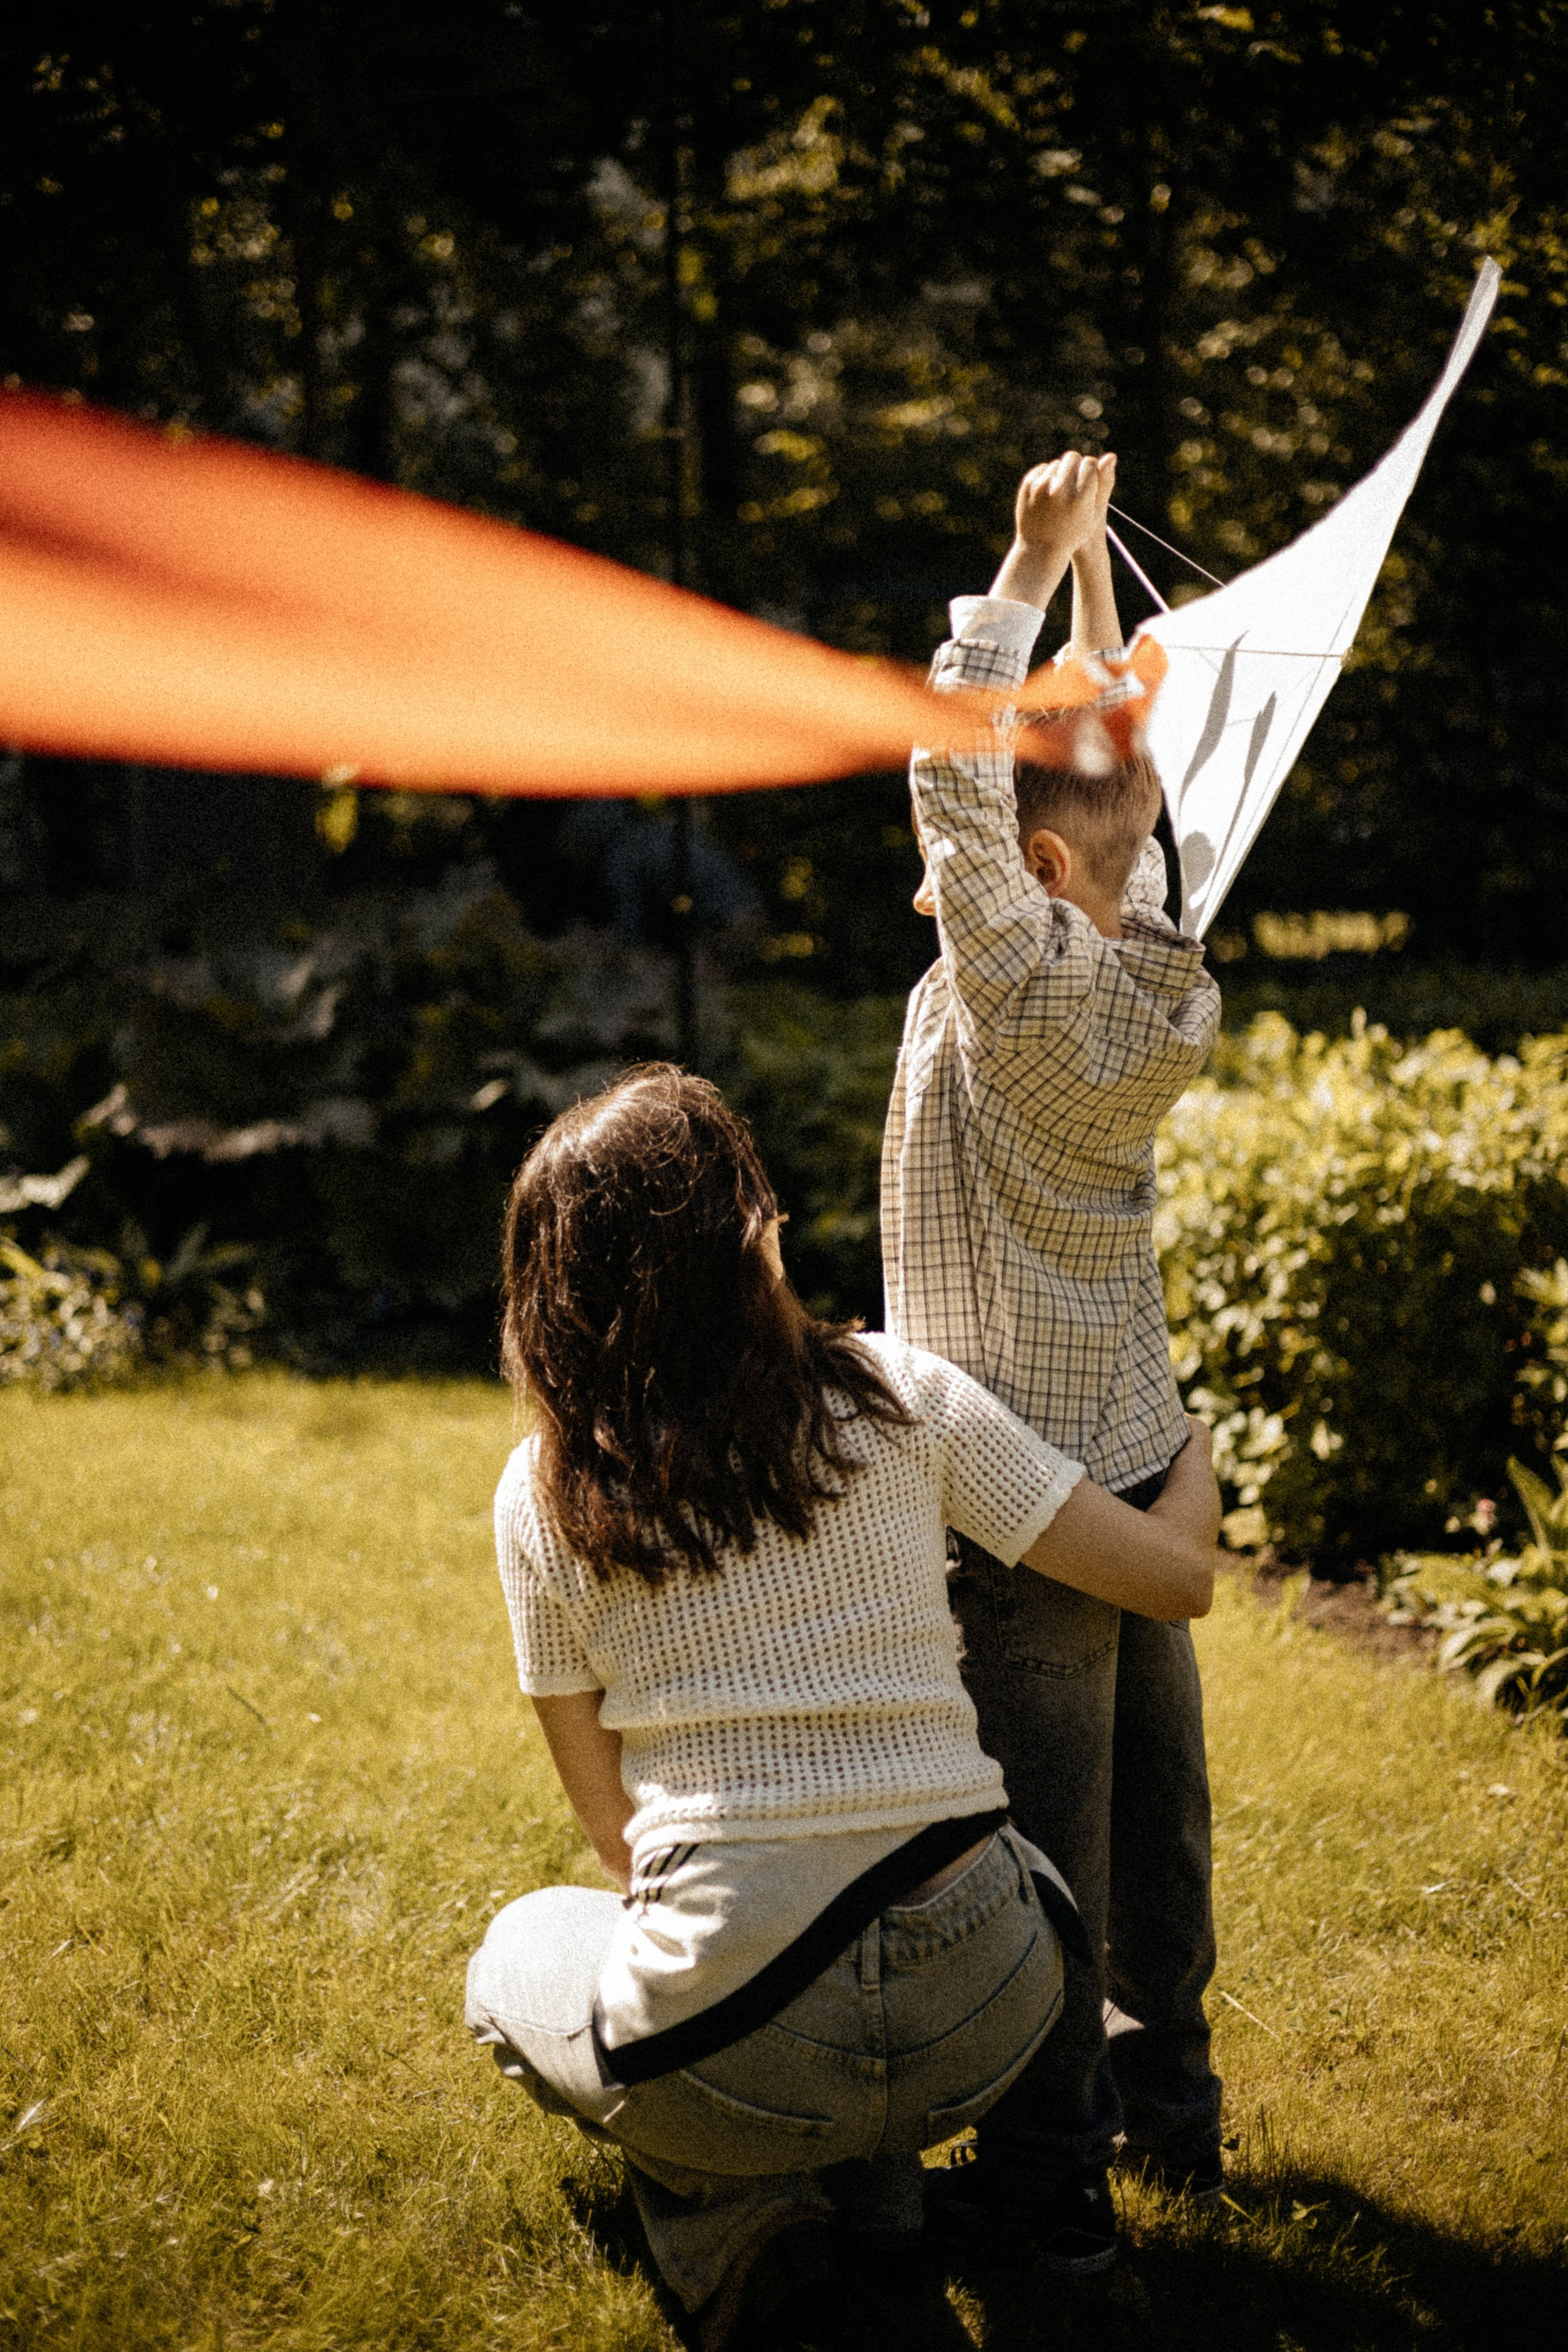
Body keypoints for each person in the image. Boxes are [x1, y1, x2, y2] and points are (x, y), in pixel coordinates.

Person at [466, 1063, 1220, 2350]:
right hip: (997, 1999)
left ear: (552, 1298)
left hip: (743, 2028)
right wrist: (1190, 1454)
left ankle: (750, 2227)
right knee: (871, 1931)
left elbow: (617, 1844)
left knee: (519, 1957)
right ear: (753, 1239)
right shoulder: (898, 1394)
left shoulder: (545, 1494)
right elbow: (1175, 1579)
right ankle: (880, 2188)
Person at [883, 453, 1226, 2274]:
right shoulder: (1159, 973)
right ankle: (1174, 2104)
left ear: (1019, 875)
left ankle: (1048, 2180)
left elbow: (955, 776)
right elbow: (1113, 824)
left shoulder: (1007, 990)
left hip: (1027, 1502)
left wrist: (1021, 571)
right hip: (1140, 1458)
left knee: (1044, 1855)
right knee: (1158, 1820)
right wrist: (1097, 616)